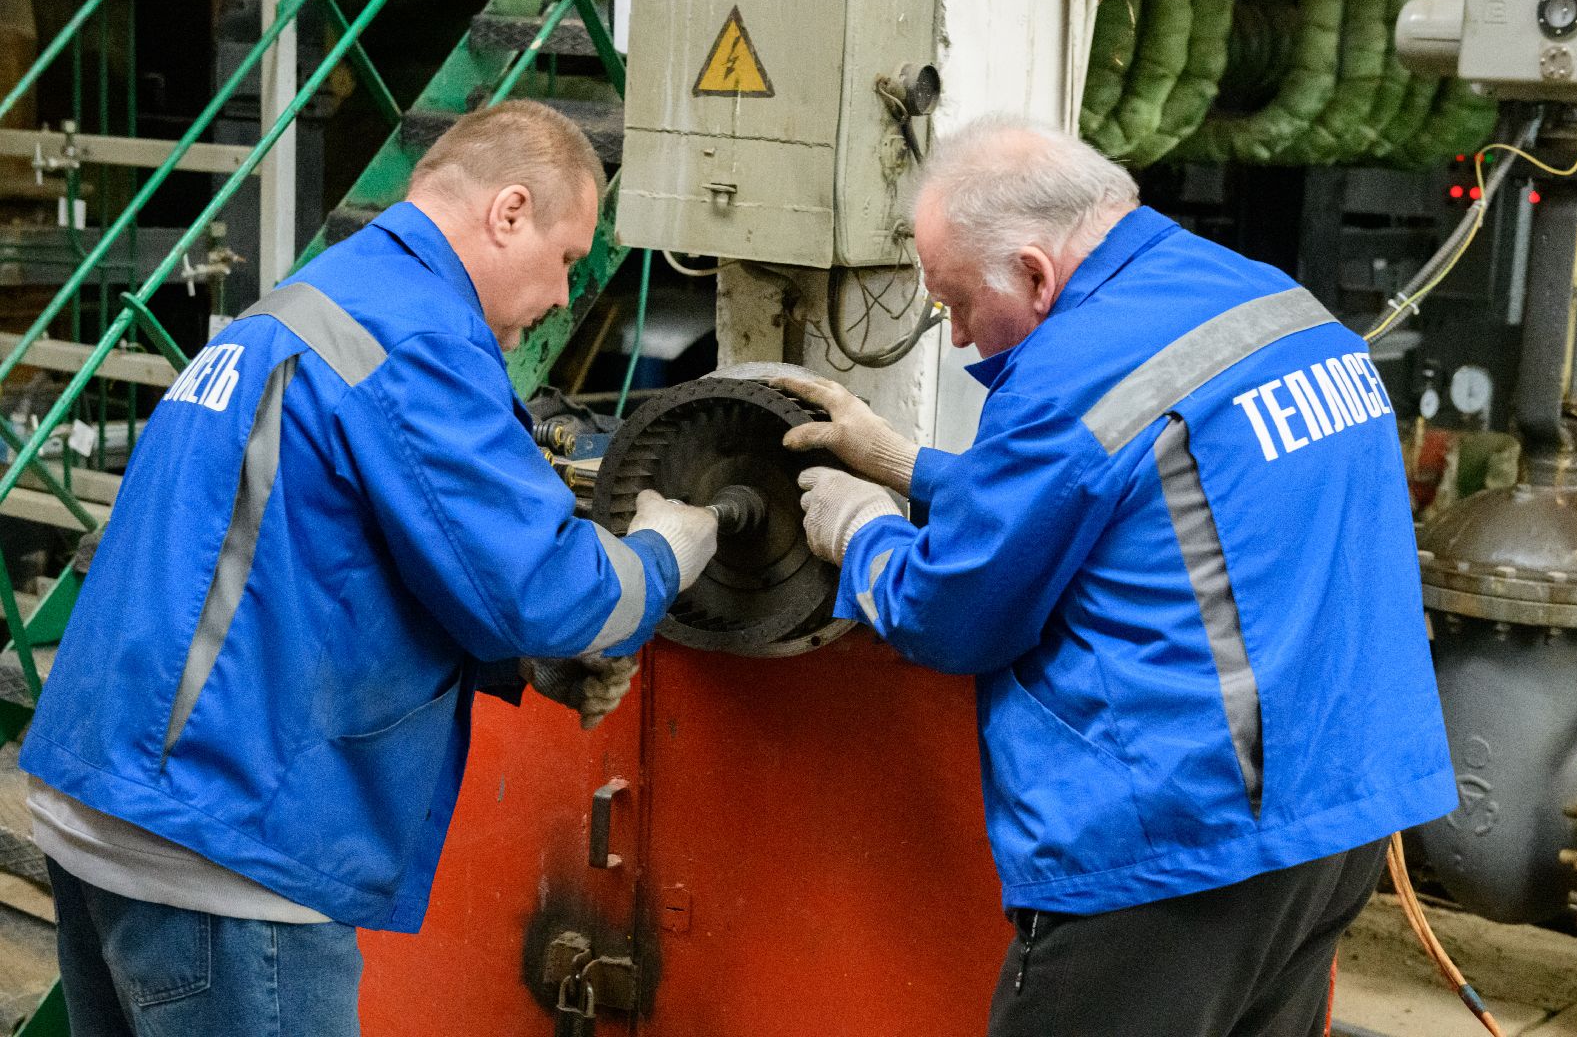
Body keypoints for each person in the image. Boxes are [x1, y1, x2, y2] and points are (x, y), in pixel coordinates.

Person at [19, 101, 718, 1036]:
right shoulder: (418, 335)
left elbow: (315, 567)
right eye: (567, 259)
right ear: (509, 212)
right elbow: (548, 592)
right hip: (224, 847)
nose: (562, 295)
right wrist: (670, 547)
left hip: (98, 799)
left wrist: (517, 666)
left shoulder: (309, 302)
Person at [781, 116, 1455, 1036]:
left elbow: (952, 612)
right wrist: (915, 467)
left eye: (956, 304)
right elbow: (1133, 496)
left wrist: (862, 534)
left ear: (1033, 272)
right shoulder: (1273, 303)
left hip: (1179, 850)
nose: (961, 337)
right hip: (1335, 816)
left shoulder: (1069, 373)